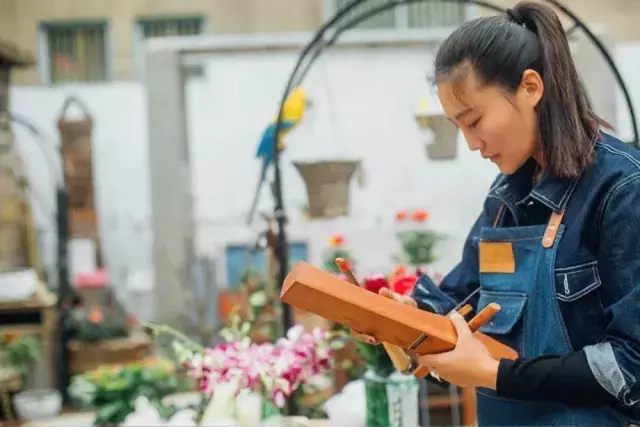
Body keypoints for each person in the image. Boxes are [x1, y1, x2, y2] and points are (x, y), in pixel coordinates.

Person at [354, 2, 640, 426]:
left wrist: (494, 374)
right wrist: (402, 317)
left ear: (530, 87)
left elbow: (629, 366)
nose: (472, 144)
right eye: (458, 127)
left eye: (475, 120)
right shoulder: (506, 197)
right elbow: (463, 300)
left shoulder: (621, 189)